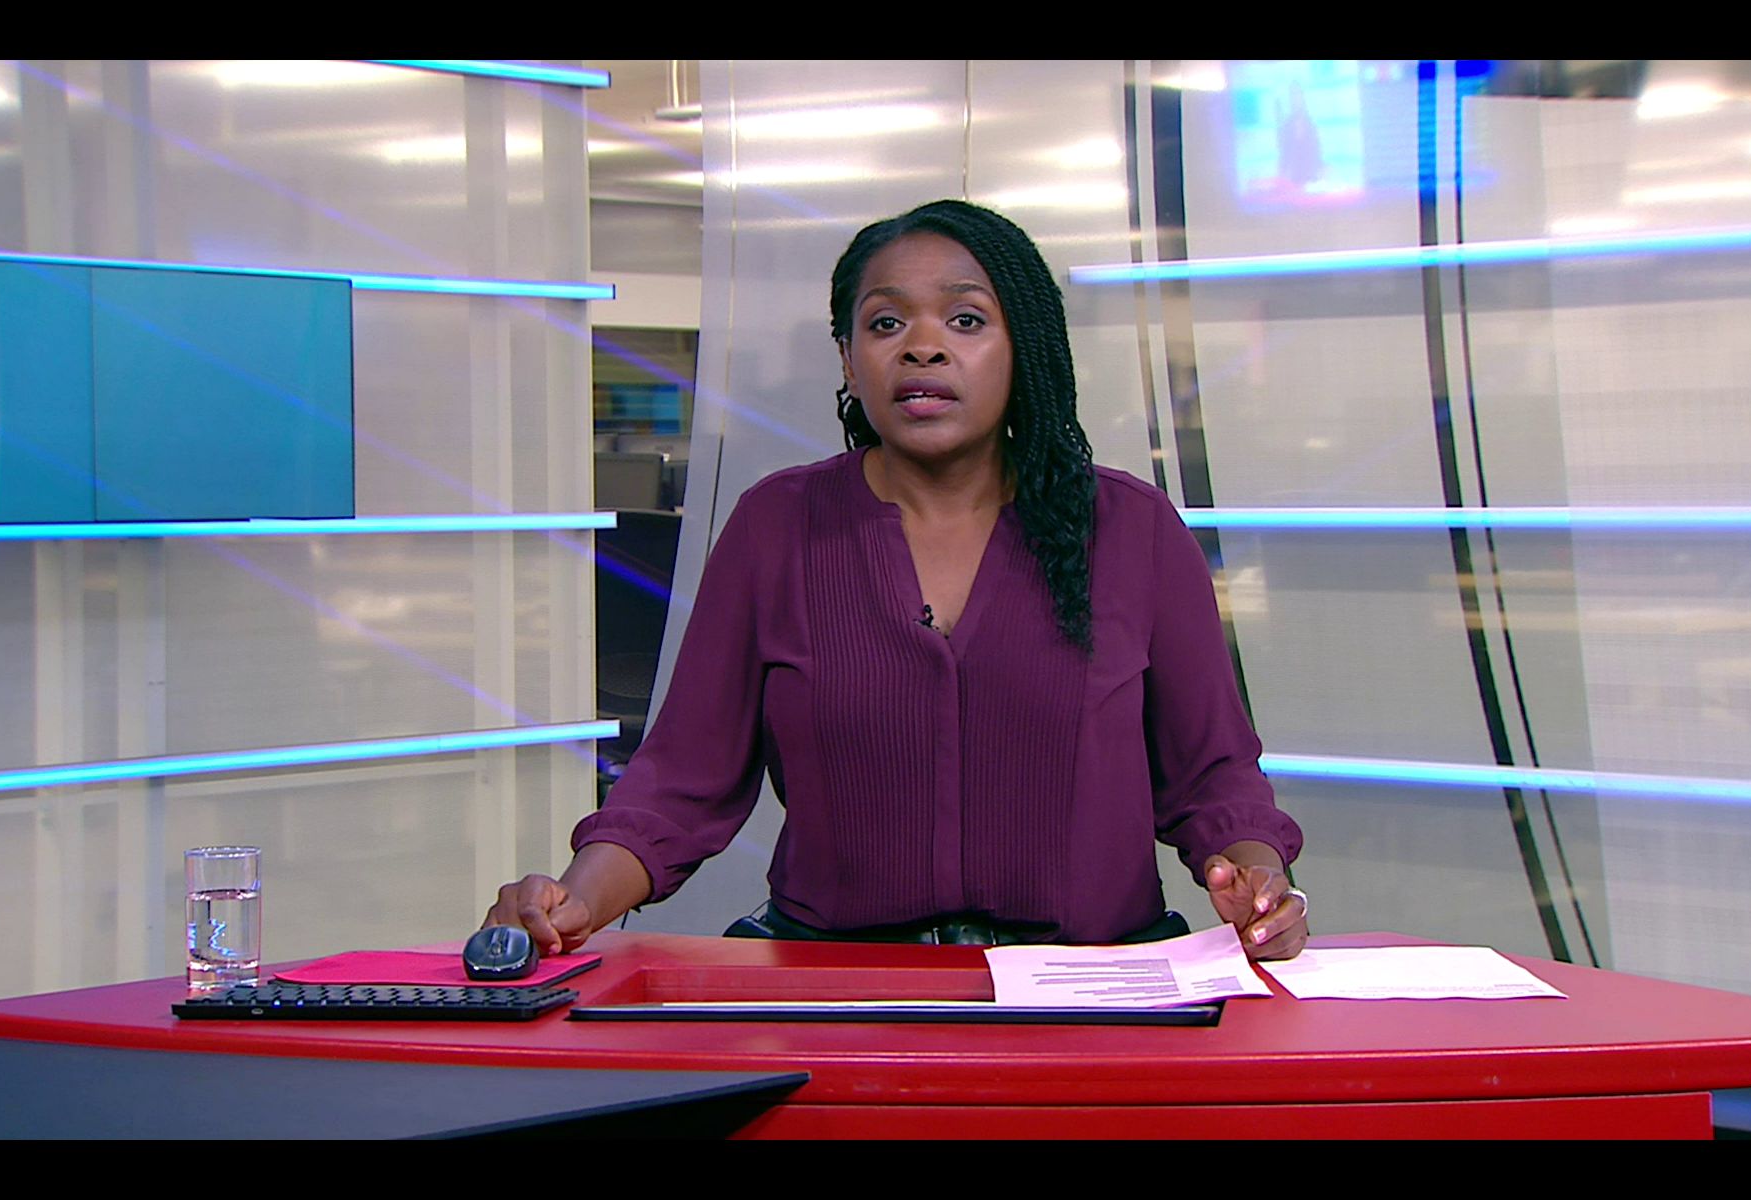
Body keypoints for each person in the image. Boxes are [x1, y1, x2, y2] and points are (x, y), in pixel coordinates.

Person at [483, 199, 1308, 958]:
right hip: (836, 982)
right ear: (849, 359)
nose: (922, 346)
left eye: (965, 319)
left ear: (1024, 347)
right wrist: (575, 902)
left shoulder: (1132, 529)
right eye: (885, 323)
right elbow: (678, 785)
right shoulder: (778, 527)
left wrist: (1260, 887)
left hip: (1089, 983)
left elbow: (1214, 776)